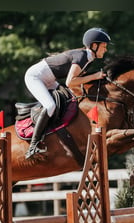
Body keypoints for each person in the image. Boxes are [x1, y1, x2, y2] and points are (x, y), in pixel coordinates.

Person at [24, 27, 111, 159]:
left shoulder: (87, 58)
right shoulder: (83, 56)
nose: (106, 49)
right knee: (50, 106)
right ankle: (33, 146)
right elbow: (71, 82)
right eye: (104, 46)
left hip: (50, 79)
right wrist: (94, 76)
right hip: (35, 77)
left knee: (69, 99)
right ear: (94, 45)